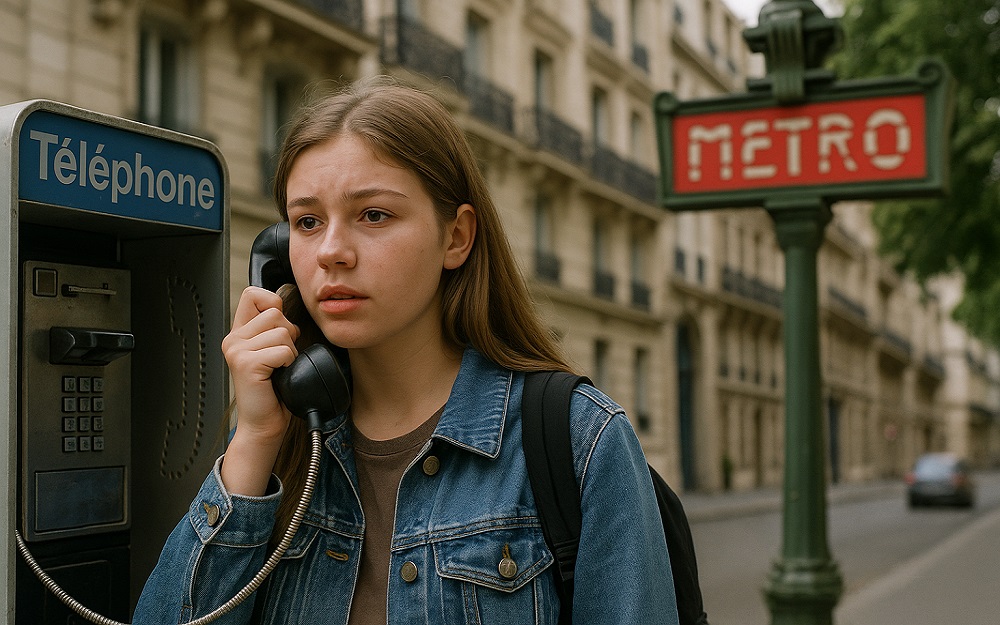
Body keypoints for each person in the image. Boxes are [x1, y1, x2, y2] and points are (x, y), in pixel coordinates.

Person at [134, 78, 677, 625]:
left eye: (374, 215)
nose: (331, 252)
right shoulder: (286, 442)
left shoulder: (580, 439)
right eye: (307, 222)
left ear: (456, 237)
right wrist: (254, 440)